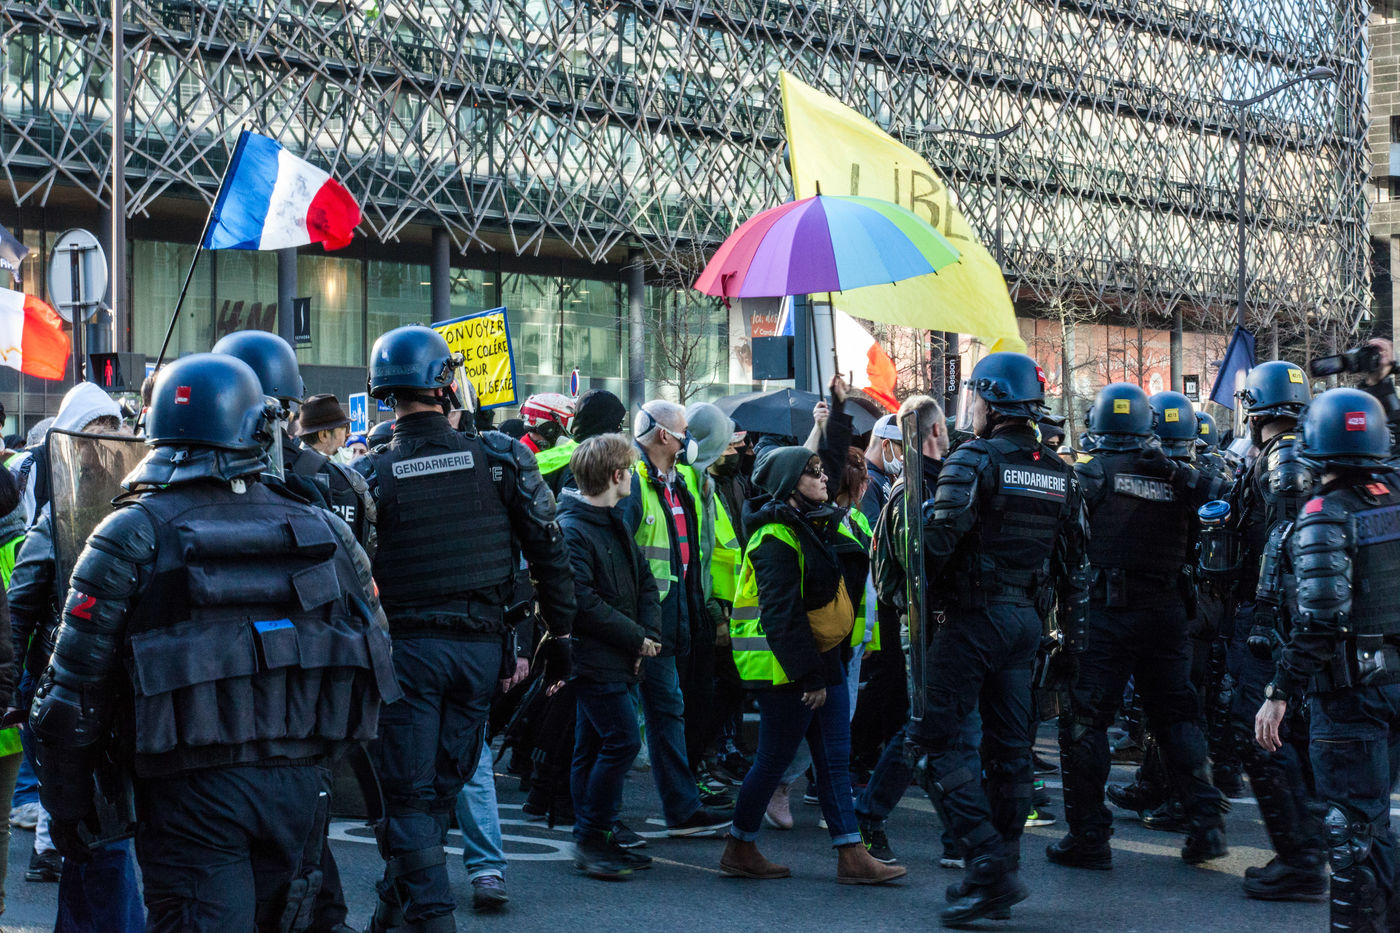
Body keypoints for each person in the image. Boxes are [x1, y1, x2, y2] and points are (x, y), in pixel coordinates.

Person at [29, 353, 397, 932]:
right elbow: (375, 653)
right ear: (257, 426)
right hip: (300, 789)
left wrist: (70, 812)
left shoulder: (131, 531)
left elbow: (69, 699)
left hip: (188, 796)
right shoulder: (324, 527)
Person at [355, 325, 576, 933]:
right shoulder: (502, 458)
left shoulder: (368, 475)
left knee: (410, 798)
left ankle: (429, 917)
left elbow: (351, 576)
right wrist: (559, 636)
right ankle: (399, 915)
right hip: (480, 654)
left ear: (382, 392)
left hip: (406, 656)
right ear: (445, 385)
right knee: (439, 791)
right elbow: (549, 552)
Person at [908, 352, 1088, 925]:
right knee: (1010, 755)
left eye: (977, 399)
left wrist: (915, 559)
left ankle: (987, 865)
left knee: (934, 745)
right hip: (1026, 625)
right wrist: (1072, 644)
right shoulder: (1059, 472)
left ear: (993, 401)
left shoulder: (974, 458)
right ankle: (1000, 873)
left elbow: (936, 545)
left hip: (972, 621)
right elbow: (1075, 567)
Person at [1048, 384, 1229, 871]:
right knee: (1178, 719)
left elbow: (1064, 539)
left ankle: (1089, 837)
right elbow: (1218, 509)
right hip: (1167, 613)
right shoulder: (1177, 476)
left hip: (1106, 614)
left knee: (1086, 722)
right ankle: (1206, 824)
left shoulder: (1091, 473)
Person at [720, 444, 905, 885]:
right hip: (788, 670)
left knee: (834, 762)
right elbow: (782, 615)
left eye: (823, 470)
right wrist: (809, 677)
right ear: (789, 485)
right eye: (813, 472)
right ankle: (739, 846)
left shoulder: (817, 525)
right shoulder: (773, 536)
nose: (824, 478)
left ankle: (851, 854)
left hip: (824, 663)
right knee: (773, 760)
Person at [1254, 387, 1400, 931]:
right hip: (1393, 685)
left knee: (1353, 833)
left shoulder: (1324, 513)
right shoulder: (1394, 497)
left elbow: (1320, 620)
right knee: (1373, 829)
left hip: (1350, 695)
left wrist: (1279, 692)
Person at [1226, 360, 1328, 900]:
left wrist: (1265, 619)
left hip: (1272, 620)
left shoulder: (1284, 458)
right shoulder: (1294, 451)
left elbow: (1281, 543)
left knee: (1263, 732)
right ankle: (1308, 847)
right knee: (1290, 733)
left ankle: (1300, 857)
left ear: (1255, 407)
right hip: (1284, 618)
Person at [616, 400, 732, 839]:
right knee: (621, 723)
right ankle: (597, 818)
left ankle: (681, 809)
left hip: (670, 616)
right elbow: (619, 554)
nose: (689, 440)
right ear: (664, 435)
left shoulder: (676, 482)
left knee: (667, 710)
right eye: (684, 432)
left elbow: (692, 555)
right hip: (639, 621)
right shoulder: (634, 481)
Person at [556, 434, 662, 879]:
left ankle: (596, 835)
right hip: (593, 658)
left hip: (615, 654)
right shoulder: (573, 528)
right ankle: (591, 837)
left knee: (594, 745)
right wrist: (637, 638)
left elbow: (645, 582)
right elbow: (581, 601)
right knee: (622, 741)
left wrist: (647, 636)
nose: (634, 478)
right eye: (631, 471)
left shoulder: (612, 520)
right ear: (617, 476)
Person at [856, 395, 949, 865]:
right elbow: (898, 572)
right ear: (934, 431)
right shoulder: (905, 493)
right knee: (921, 727)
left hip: (950, 627)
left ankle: (961, 836)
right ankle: (868, 815)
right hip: (923, 629)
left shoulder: (948, 480)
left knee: (953, 731)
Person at [213, 331, 374, 549]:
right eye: (343, 428)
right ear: (287, 402)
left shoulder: (187, 485)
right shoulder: (341, 482)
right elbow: (357, 561)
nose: (346, 435)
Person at [858, 413, 903, 525]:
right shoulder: (867, 481)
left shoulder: (881, 477)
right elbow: (871, 531)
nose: (903, 457)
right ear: (886, 445)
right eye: (902, 450)